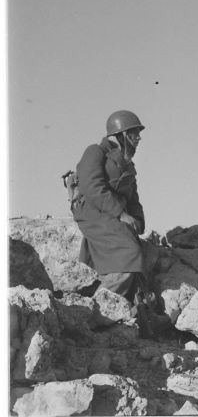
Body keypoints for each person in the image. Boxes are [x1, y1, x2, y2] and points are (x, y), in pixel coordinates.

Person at [72, 110, 146, 302]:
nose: (138, 139)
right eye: (133, 134)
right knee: (127, 253)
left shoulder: (128, 164)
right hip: (93, 211)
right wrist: (121, 214)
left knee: (144, 254)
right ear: (120, 135)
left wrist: (137, 220)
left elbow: (133, 198)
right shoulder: (95, 151)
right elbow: (91, 185)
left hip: (114, 214)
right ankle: (99, 309)